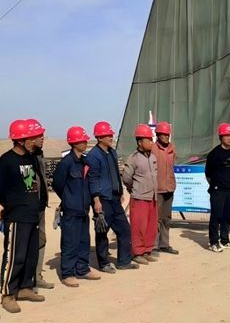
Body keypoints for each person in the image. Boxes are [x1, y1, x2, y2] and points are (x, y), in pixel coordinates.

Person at [0, 119, 46, 313]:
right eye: (32, 138)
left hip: (32, 215)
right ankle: (8, 294)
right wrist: (12, 206)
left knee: (31, 255)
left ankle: (25, 287)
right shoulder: (7, 161)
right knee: (15, 256)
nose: (35, 141)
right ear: (21, 140)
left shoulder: (31, 159)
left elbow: (35, 184)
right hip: (17, 217)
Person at [52, 126, 102, 287]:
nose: (86, 143)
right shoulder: (66, 163)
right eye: (83, 140)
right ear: (74, 142)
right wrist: (68, 198)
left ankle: (82, 268)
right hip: (71, 210)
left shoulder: (84, 162)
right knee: (70, 242)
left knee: (83, 241)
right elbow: (57, 184)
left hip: (83, 209)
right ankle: (68, 273)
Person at [85, 121, 138, 272]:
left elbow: (116, 174)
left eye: (111, 134)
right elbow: (93, 179)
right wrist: (96, 200)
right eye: (108, 135)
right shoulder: (93, 156)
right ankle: (103, 263)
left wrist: (120, 192)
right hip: (102, 199)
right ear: (99, 137)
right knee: (102, 231)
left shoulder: (112, 153)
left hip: (114, 198)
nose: (111, 137)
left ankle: (124, 261)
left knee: (124, 229)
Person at [122, 124, 159, 265]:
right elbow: (126, 178)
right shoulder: (133, 158)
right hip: (139, 197)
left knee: (151, 226)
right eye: (148, 140)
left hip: (152, 197)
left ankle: (147, 250)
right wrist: (134, 188)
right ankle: (137, 253)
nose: (151, 142)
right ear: (139, 142)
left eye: (151, 139)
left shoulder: (153, 157)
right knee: (138, 227)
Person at [26, 118, 54, 289]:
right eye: (39, 135)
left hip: (41, 207)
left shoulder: (39, 155)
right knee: (27, 244)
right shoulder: (25, 158)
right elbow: (28, 185)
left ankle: (37, 276)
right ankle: (26, 280)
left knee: (41, 240)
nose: (43, 138)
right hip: (29, 210)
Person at [205, 122, 230, 253]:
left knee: (226, 216)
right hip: (217, 190)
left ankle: (224, 240)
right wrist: (215, 186)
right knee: (216, 216)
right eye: (227, 135)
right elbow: (208, 173)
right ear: (221, 137)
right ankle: (213, 242)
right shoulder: (214, 154)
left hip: (229, 189)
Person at [150, 121, 179, 255]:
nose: (167, 136)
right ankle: (154, 245)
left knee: (167, 218)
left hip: (169, 188)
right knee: (156, 218)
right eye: (164, 134)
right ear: (157, 135)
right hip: (157, 188)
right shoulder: (152, 149)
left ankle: (164, 244)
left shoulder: (172, 148)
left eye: (168, 134)